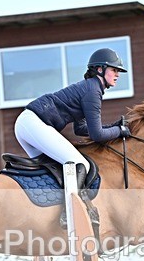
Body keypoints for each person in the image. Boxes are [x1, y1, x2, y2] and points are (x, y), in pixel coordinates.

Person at [14, 48, 131, 191]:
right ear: (100, 69)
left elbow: (80, 129)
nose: (117, 74)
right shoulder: (92, 91)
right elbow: (97, 135)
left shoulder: (89, 87)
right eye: (114, 70)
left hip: (28, 123)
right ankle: (71, 211)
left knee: (54, 169)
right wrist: (120, 130)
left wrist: (112, 127)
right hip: (33, 124)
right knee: (80, 165)